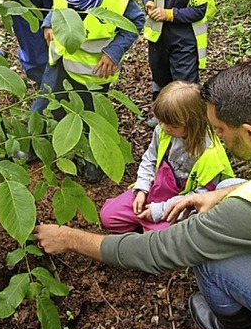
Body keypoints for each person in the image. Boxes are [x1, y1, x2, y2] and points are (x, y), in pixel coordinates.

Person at [35, 62, 251, 329]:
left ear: (249, 133)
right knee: (232, 185)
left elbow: (160, 250)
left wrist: (70, 238)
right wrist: (220, 193)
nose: (216, 136)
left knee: (211, 259)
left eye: (220, 130)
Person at [29, 0, 144, 181]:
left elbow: (135, 22)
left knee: (92, 116)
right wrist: (49, 22)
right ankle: (35, 144)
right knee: (46, 102)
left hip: (92, 70)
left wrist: (113, 52)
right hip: (59, 60)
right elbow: (57, 5)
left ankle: (95, 158)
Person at [99, 81, 234, 233]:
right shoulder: (164, 130)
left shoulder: (210, 154)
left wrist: (159, 210)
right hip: (155, 189)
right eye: (162, 121)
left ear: (194, 123)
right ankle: (145, 224)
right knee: (108, 216)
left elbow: (201, 196)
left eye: (173, 125)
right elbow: (149, 159)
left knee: (159, 242)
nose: (165, 127)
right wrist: (142, 189)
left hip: (180, 203)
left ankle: (149, 228)